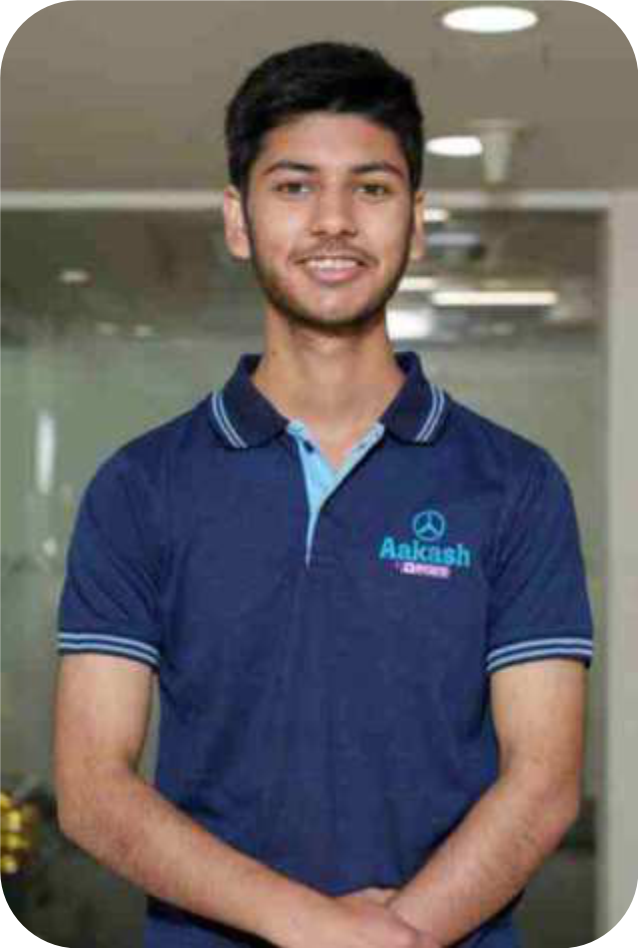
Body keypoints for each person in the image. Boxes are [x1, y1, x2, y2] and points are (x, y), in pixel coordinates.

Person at [54, 42, 594, 948]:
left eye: (372, 188)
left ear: (415, 224)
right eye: (294, 186)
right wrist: (313, 929)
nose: (334, 221)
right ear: (238, 220)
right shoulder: (140, 488)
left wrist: (392, 936)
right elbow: (92, 789)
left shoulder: (517, 485)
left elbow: (541, 785)